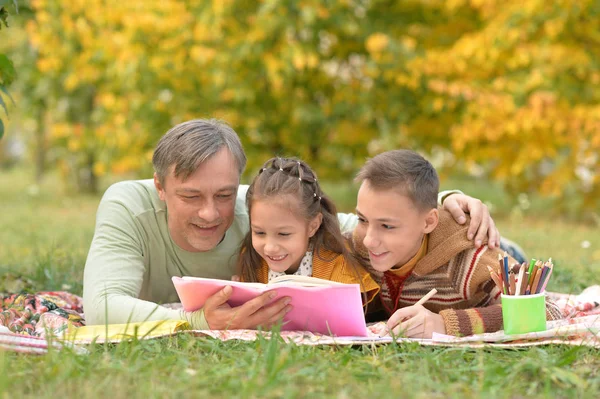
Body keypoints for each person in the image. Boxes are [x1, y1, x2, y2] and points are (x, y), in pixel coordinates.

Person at [83, 119, 501, 330]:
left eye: (225, 195)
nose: (211, 213)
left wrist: (447, 202)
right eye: (190, 196)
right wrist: (196, 322)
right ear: (159, 186)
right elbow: (100, 306)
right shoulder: (127, 205)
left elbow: (371, 225)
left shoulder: (259, 210)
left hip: (471, 253)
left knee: (498, 264)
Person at [350, 149, 562, 338]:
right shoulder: (358, 245)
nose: (369, 239)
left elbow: (544, 310)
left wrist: (444, 324)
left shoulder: (471, 257)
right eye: (362, 219)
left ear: (428, 222)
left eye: (387, 226)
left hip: (491, 245)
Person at [237, 157, 379, 304]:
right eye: (259, 233)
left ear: (313, 226)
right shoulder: (253, 262)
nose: (270, 247)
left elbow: (351, 309)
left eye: (283, 234)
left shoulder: (335, 264)